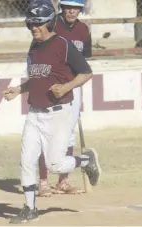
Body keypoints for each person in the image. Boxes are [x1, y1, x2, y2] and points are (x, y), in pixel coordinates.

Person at [2, 0, 101, 223]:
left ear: (50, 23)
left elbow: (86, 73)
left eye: (38, 24)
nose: (34, 29)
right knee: (26, 161)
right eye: (30, 24)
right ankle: (29, 207)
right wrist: (18, 89)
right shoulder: (34, 47)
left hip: (58, 113)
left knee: (55, 164)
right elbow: (36, 78)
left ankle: (85, 160)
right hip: (34, 113)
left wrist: (65, 87)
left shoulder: (63, 45)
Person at [37, 0, 92, 197]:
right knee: (44, 132)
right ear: (61, 8)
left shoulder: (84, 30)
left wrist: (76, 84)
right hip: (49, 84)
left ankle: (63, 181)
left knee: (68, 134)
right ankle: (43, 182)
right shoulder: (52, 25)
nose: (72, 11)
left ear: (81, 9)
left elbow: (85, 62)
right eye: (68, 6)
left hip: (73, 86)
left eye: (76, 7)